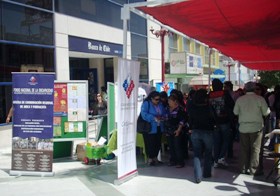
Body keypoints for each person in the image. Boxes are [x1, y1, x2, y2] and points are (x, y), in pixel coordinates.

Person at [233, 82, 270, 175]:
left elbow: (235, 112)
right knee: (255, 149)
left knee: (244, 148)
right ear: (254, 89)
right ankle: (254, 170)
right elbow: (266, 112)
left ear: (245, 89)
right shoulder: (260, 99)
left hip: (243, 128)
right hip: (256, 127)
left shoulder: (240, 99)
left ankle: (243, 168)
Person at [189, 88, 215, 183]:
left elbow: (190, 120)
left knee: (197, 154)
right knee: (208, 153)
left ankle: (198, 177)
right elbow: (214, 118)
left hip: (195, 131)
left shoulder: (192, 107)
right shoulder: (208, 107)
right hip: (208, 131)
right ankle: (207, 174)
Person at [209, 79, 235, 168]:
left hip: (214, 122)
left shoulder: (209, 95)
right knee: (226, 140)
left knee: (216, 142)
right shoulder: (225, 94)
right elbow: (232, 105)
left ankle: (216, 160)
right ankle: (221, 157)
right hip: (225, 120)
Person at [141, 91, 166, 166]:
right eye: (156, 99)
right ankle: (150, 159)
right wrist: (153, 118)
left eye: (159, 99)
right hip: (150, 127)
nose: (158, 101)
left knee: (157, 143)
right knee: (150, 143)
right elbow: (144, 114)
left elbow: (163, 112)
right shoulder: (147, 103)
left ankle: (155, 158)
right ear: (151, 98)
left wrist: (162, 117)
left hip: (159, 126)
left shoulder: (160, 104)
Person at [164, 94, 185, 168]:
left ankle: (180, 161)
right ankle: (172, 160)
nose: (169, 102)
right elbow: (165, 118)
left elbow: (182, 120)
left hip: (177, 130)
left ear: (175, 101)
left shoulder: (180, 109)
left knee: (177, 146)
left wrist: (179, 130)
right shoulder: (167, 108)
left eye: (170, 101)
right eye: (168, 101)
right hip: (168, 130)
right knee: (171, 146)